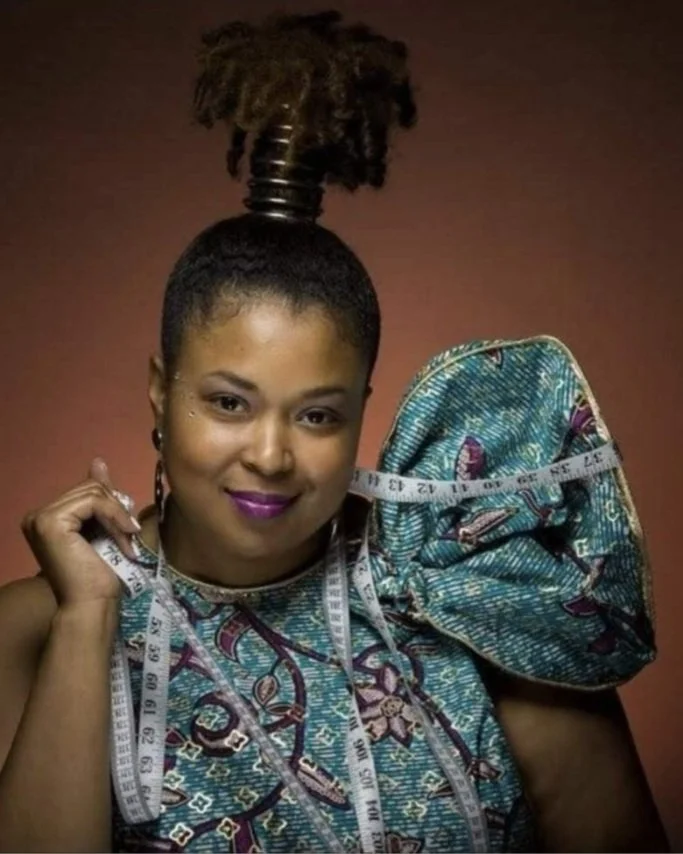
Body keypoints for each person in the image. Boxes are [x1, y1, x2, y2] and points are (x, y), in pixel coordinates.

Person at [0, 10, 669, 854]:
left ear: (362, 411)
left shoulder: (469, 597)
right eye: (230, 403)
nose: (272, 456)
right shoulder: (34, 628)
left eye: (318, 414)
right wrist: (88, 618)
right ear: (159, 392)